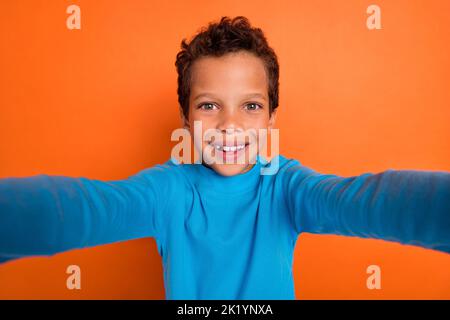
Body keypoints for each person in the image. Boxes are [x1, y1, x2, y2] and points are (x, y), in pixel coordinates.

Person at [0, 16, 449, 300]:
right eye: (209, 105)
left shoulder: (285, 187)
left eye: (250, 106)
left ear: (272, 116)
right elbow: (83, 208)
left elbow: (366, 201)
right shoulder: (168, 190)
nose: (230, 125)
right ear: (185, 115)